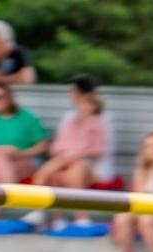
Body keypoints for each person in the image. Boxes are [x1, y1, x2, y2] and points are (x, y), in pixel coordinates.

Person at [31, 75, 107, 227]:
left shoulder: (98, 123)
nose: (82, 107)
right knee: (47, 173)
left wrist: (75, 156)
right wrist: (64, 155)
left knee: (74, 172)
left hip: (83, 163)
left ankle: (81, 216)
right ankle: (41, 211)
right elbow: (57, 145)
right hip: (65, 159)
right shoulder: (72, 121)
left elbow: (98, 149)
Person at [0, 83, 47, 218]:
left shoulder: (26, 117)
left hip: (26, 161)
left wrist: (19, 153)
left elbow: (42, 146)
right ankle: (10, 193)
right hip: (4, 166)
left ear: (9, 97)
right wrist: (3, 151)